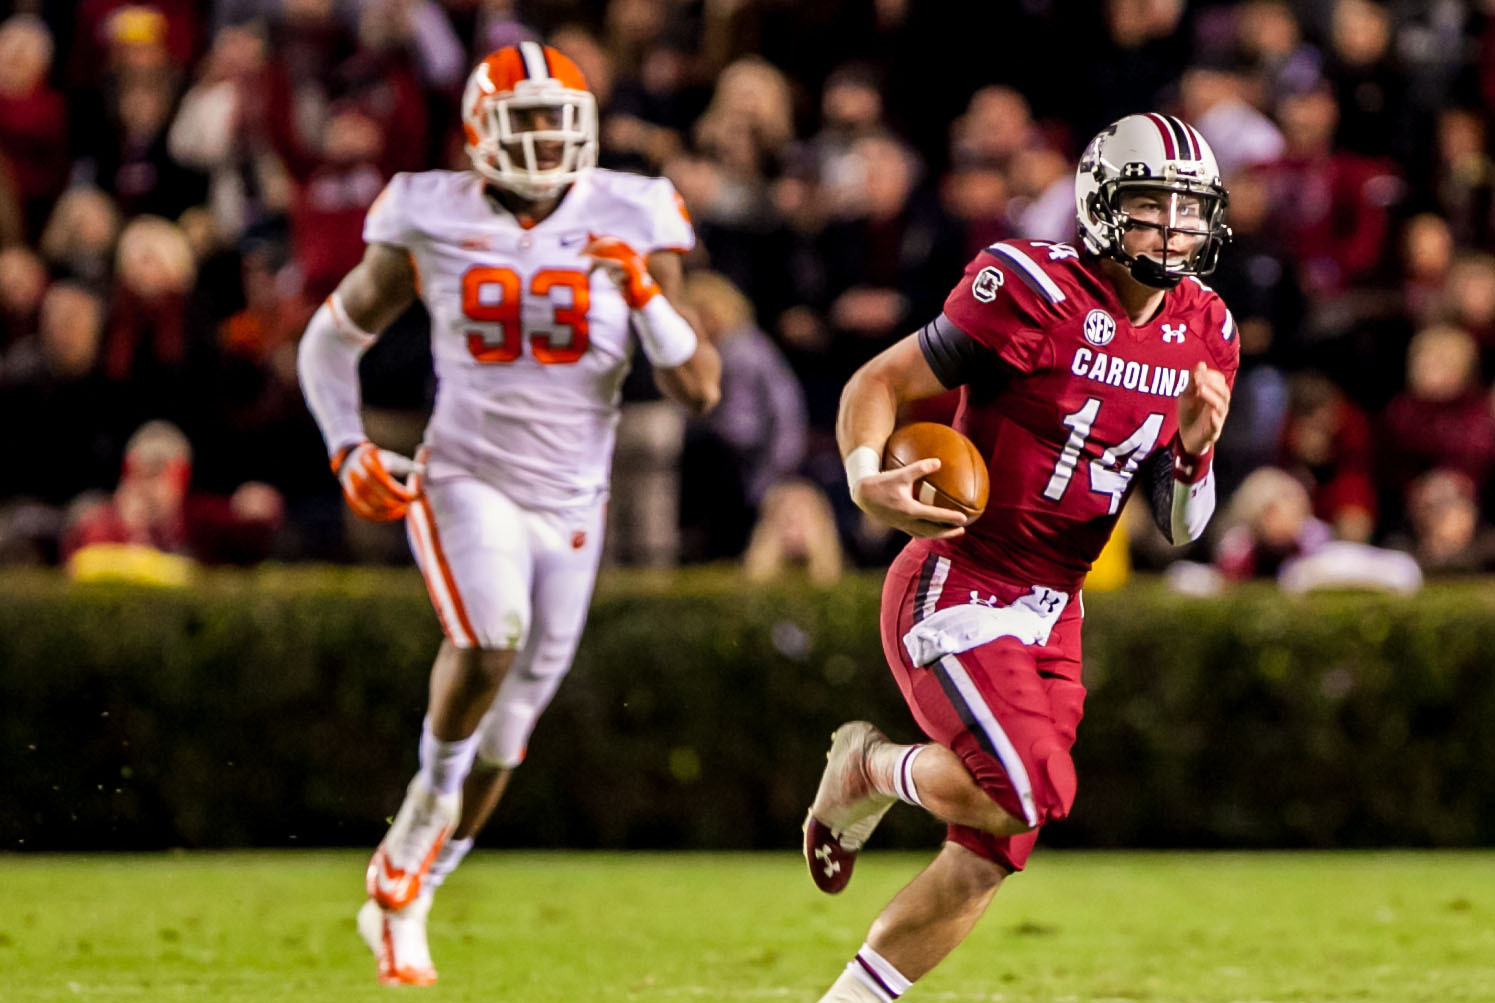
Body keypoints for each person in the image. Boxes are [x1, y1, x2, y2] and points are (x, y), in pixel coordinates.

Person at [295, 42, 720, 986]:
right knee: (491, 638)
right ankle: (418, 822)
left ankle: (407, 892)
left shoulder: (632, 209)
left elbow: (699, 387)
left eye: (554, 123)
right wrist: (346, 445)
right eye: (521, 123)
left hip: (576, 500)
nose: (540, 143)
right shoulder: (429, 211)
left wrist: (644, 293)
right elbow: (329, 341)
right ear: (478, 133)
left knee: (511, 728)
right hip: (464, 475)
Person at [803, 113, 1237, 1003]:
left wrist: (1193, 454)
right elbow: (875, 383)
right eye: (1149, 204)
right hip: (958, 579)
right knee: (1023, 791)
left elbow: (1183, 526)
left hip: (1056, 606)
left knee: (992, 849)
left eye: (1187, 209)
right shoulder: (1029, 285)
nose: (1171, 227)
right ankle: (869, 770)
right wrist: (859, 476)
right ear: (1101, 204)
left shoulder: (1207, 327)